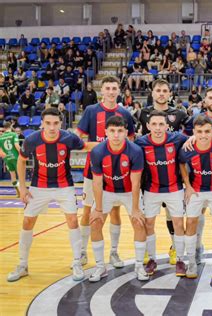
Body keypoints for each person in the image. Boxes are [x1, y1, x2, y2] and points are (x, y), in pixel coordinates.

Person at [7, 108, 96, 282]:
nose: (52, 127)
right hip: (38, 186)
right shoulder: (32, 140)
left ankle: (77, 262)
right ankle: (22, 265)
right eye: (48, 123)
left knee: (72, 220)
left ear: (61, 123)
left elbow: (86, 146)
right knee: (27, 221)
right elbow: (21, 160)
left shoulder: (68, 138)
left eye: (55, 123)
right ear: (42, 123)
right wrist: (23, 188)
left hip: (64, 186)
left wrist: (110, 144)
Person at [77, 76, 136, 267]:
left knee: (115, 212)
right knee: (88, 212)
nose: (111, 91)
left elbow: (132, 141)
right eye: (107, 88)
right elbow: (78, 141)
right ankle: (82, 252)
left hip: (118, 171)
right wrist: (102, 146)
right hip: (92, 171)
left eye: (114, 88)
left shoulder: (125, 113)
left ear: (119, 91)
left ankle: (114, 252)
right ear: (101, 91)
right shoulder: (91, 111)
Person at [88, 115, 147, 282]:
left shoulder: (135, 151)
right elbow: (97, 183)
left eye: (120, 131)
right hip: (107, 190)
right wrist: (98, 209)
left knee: (139, 222)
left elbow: (136, 184)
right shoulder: (98, 151)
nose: (116, 135)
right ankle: (101, 267)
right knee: (95, 222)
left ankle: (139, 265)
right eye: (112, 131)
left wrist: (135, 209)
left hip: (129, 191)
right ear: (105, 132)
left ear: (126, 133)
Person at [178, 115, 212, 279]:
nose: (203, 135)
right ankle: (192, 262)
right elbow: (181, 163)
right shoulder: (187, 148)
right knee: (191, 222)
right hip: (196, 190)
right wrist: (187, 184)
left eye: (207, 131)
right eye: (199, 131)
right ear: (193, 132)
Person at [135, 110, 188, 276]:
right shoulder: (141, 143)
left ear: (167, 126)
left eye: (161, 124)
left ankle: (180, 260)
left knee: (178, 224)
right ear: (148, 126)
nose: (158, 128)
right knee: (149, 224)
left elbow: (195, 138)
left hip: (174, 189)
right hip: (151, 190)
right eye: (154, 124)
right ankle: (152, 259)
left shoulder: (177, 139)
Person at [0, 121, 21, 194]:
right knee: (20, 174)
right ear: (10, 127)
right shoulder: (14, 134)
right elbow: (16, 145)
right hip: (15, 157)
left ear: (4, 128)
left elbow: (0, 151)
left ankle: (17, 191)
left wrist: (5, 157)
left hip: (7, 158)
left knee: (12, 175)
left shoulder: (1, 137)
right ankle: (22, 191)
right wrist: (23, 153)